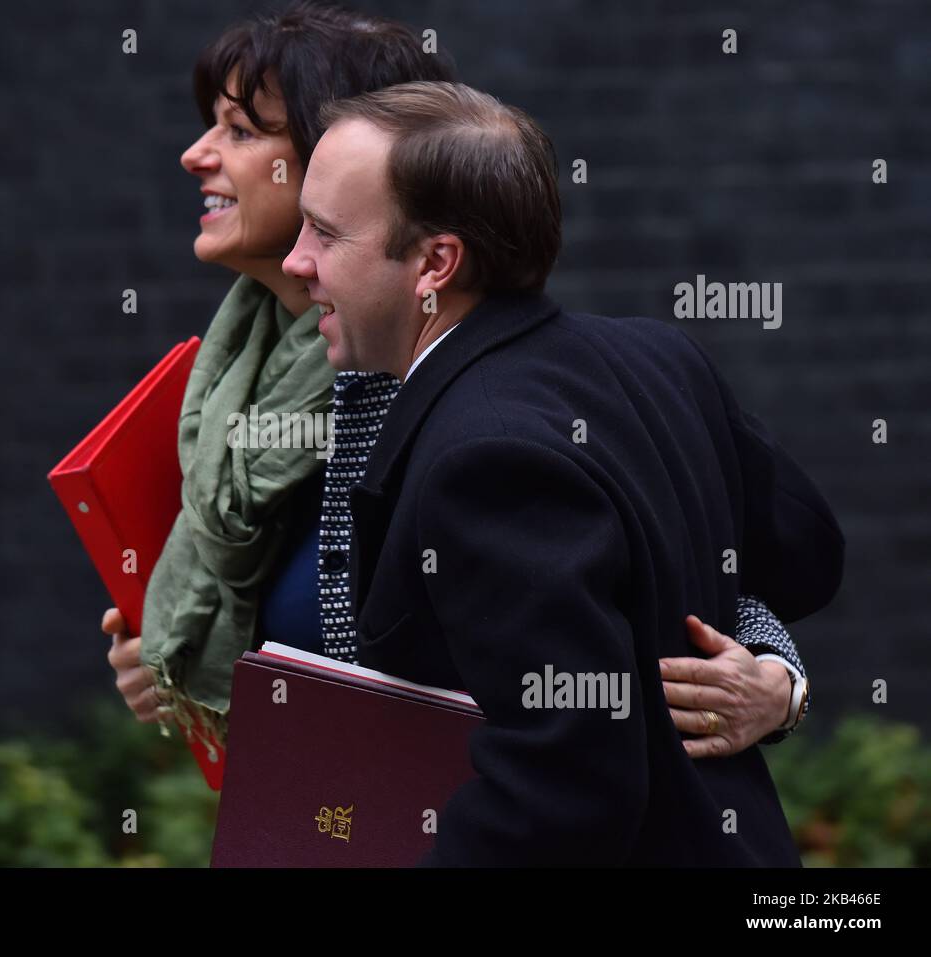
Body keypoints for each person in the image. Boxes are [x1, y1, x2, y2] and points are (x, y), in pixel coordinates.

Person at [101, 2, 811, 767]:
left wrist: (781, 679)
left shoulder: (432, 384)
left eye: (244, 131)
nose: (195, 154)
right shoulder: (241, 381)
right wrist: (184, 648)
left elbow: (687, 585)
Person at [280, 80, 844, 864]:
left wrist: (775, 686)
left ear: (436, 263)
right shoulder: (661, 357)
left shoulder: (482, 461)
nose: (295, 260)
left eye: (324, 233)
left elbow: (563, 786)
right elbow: (809, 556)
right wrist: (776, 676)